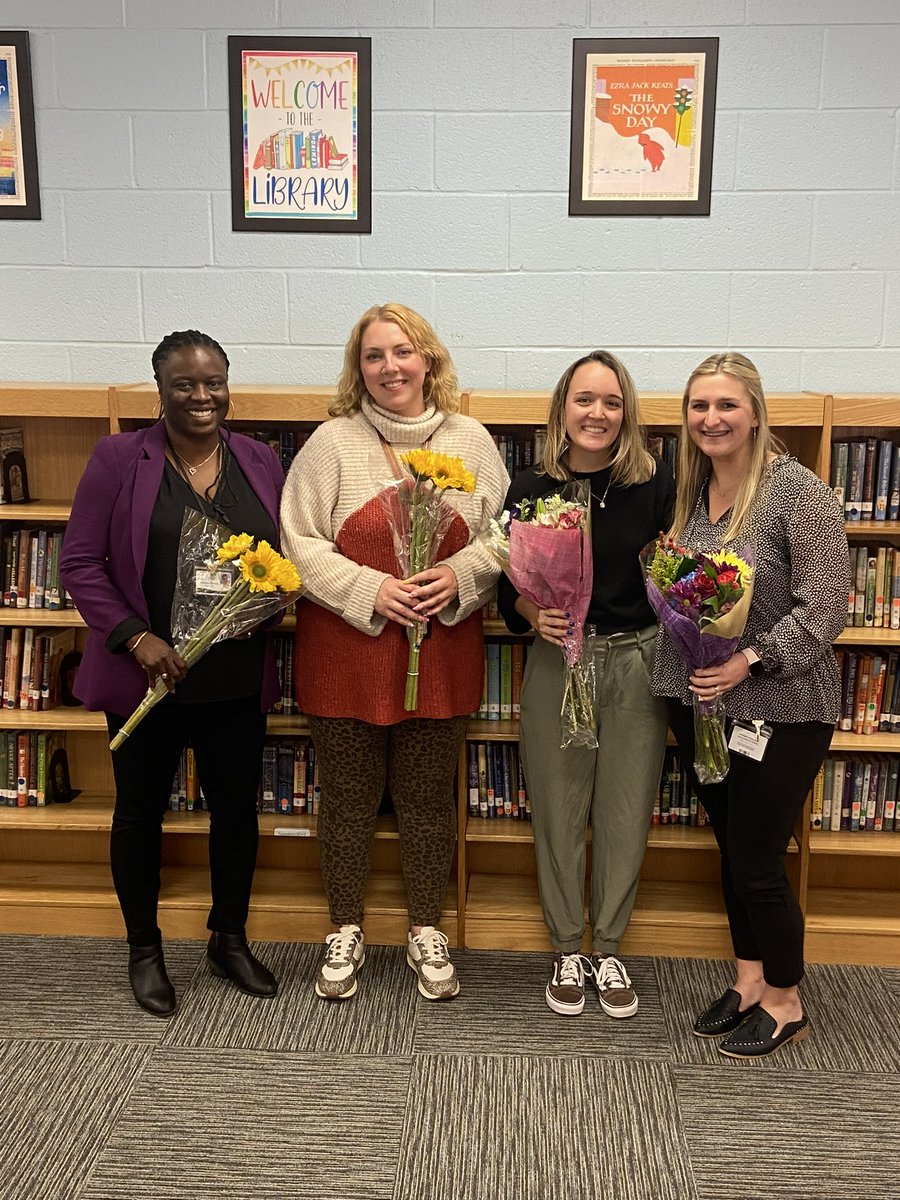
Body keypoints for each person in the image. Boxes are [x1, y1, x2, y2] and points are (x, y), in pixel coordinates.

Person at [280, 303, 508, 1002]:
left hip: (438, 649)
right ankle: (344, 926)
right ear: (359, 370)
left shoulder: (471, 441)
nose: (390, 368)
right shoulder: (330, 444)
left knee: (428, 799)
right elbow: (300, 541)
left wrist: (461, 575)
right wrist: (373, 590)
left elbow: (503, 535)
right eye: (374, 357)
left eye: (402, 352)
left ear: (429, 360)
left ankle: (425, 929)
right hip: (345, 651)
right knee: (346, 798)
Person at [59, 330, 284, 1017]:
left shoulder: (259, 458)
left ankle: (228, 937)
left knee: (235, 812)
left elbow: (282, 555)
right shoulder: (119, 457)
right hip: (147, 678)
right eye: (185, 384)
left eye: (213, 381)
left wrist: (267, 605)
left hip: (234, 675)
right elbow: (79, 564)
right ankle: (144, 948)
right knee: (138, 814)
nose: (202, 396)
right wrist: (136, 638)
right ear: (159, 389)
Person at [652, 352, 849, 1059]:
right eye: (699, 407)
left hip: (784, 706)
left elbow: (825, 608)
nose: (712, 419)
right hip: (701, 704)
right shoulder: (689, 492)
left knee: (758, 860)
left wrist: (748, 659)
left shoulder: (801, 495)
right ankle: (747, 981)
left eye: (726, 405)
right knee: (731, 850)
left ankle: (788, 998)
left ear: (756, 412)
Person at [497, 350, 675, 1019]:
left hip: (635, 661)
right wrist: (530, 611)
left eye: (610, 401)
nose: (596, 413)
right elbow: (500, 586)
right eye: (584, 400)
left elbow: (680, 567)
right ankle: (569, 945)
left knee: (626, 810)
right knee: (558, 807)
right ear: (562, 409)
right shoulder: (529, 486)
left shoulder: (656, 483)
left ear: (626, 412)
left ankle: (611, 947)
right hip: (557, 662)